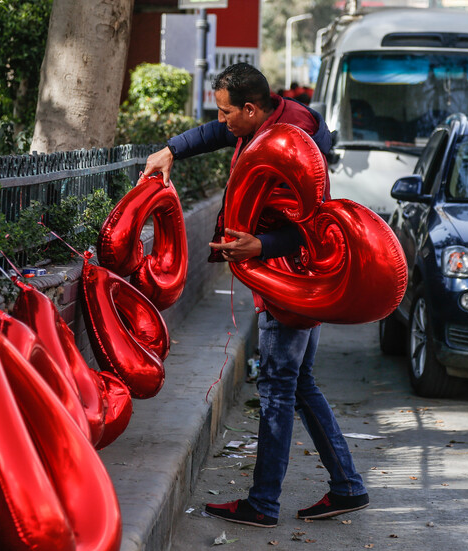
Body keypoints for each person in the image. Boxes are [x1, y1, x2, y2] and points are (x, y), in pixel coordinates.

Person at [143, 63, 369, 528]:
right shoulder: (267, 121)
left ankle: (264, 502)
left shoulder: (293, 145)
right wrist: (170, 150)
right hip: (294, 282)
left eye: (228, 113)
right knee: (299, 384)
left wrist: (261, 246)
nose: (223, 121)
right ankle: (347, 486)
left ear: (251, 108)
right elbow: (213, 133)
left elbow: (311, 228)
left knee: (277, 389)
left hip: (290, 281)